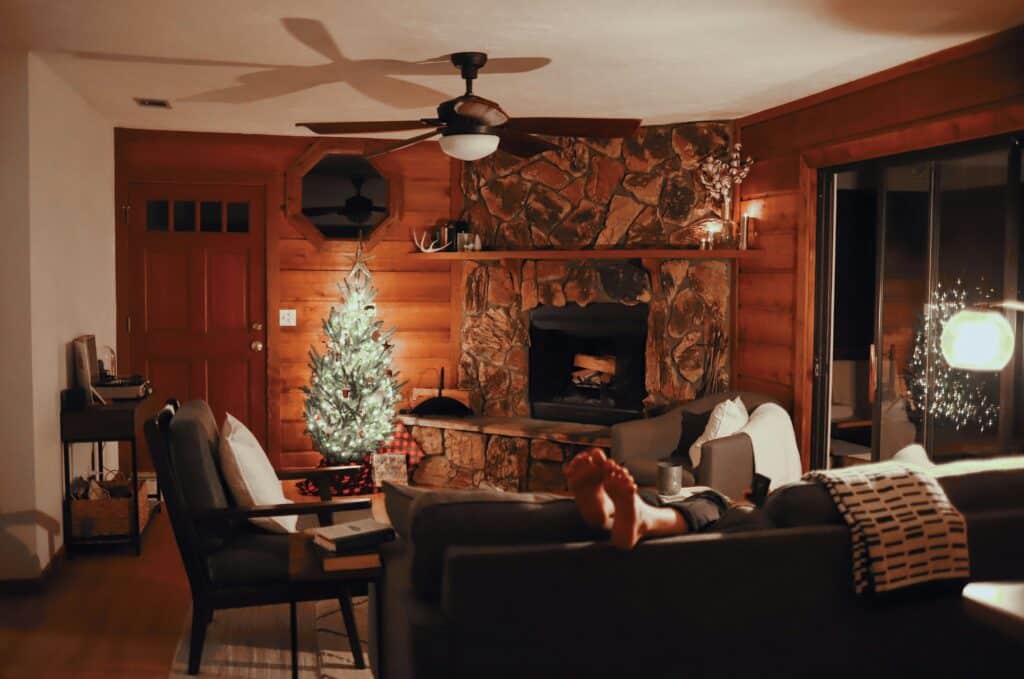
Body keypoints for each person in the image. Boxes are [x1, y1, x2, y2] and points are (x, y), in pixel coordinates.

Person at [564, 448, 734, 550]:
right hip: (684, 499)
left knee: (715, 500)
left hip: (710, 502)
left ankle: (636, 516)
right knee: (644, 498)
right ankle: (609, 508)